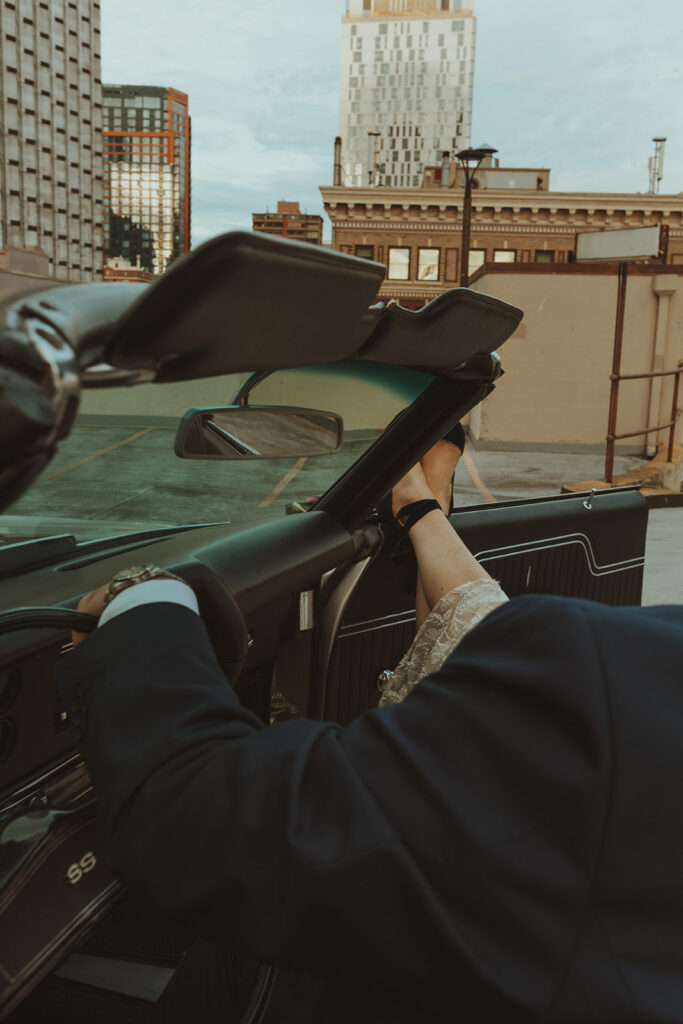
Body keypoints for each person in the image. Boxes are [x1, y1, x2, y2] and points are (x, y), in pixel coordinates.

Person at [57, 457, 683, 1023]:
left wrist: (141, 603)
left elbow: (216, 827)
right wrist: (417, 507)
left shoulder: (611, 685)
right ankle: (420, 498)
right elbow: (476, 629)